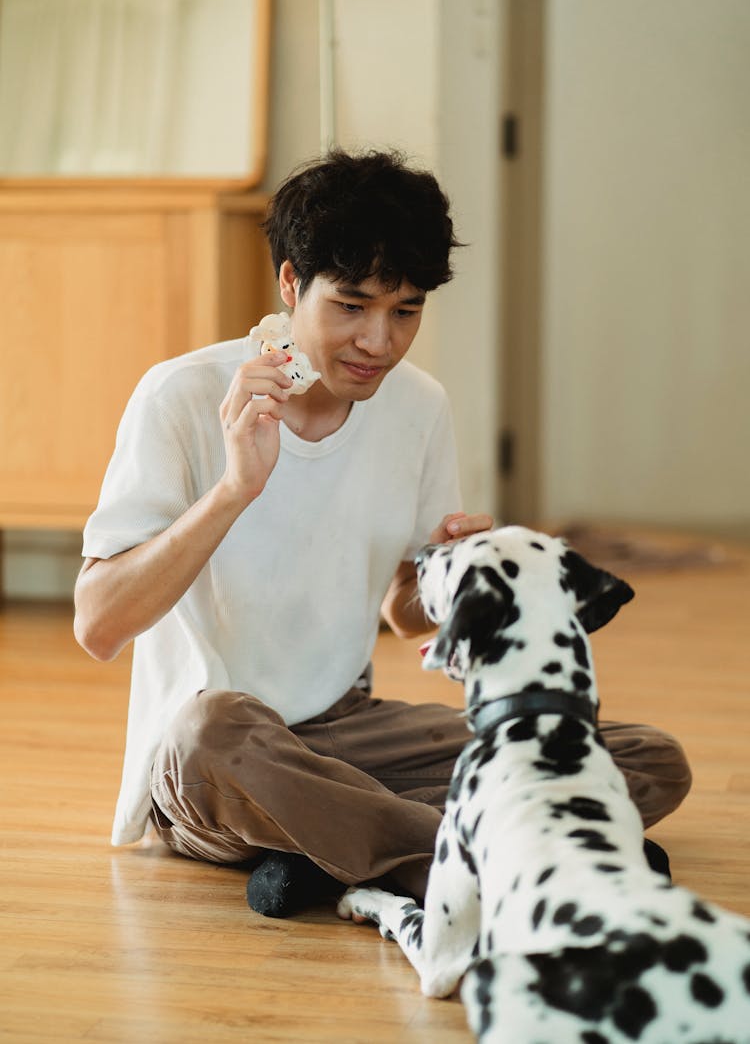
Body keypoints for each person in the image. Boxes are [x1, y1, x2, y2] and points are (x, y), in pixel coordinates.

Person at [73, 149, 691, 918]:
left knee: (645, 756)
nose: (380, 341)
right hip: (221, 752)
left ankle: (339, 850)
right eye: (353, 305)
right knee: (213, 731)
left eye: (406, 310)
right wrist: (236, 488)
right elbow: (99, 624)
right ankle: (496, 854)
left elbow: (403, 616)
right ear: (292, 283)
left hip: (347, 729)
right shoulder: (181, 395)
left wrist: (456, 572)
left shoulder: (419, 406)